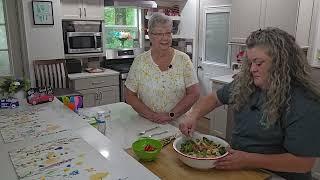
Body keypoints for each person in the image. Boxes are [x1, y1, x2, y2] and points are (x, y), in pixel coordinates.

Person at [179, 27, 320, 180]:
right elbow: (214, 98)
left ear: (281, 64)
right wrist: (193, 115)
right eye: (250, 62)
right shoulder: (246, 83)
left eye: (259, 63)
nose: (252, 69)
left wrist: (247, 160)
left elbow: (303, 163)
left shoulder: (304, 102)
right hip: (240, 167)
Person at [125, 13, 200, 124]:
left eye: (168, 33)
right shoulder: (140, 62)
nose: (165, 38)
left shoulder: (183, 59)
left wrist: (170, 115)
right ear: (150, 35)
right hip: (148, 124)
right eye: (159, 34)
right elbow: (129, 95)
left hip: (179, 125)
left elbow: (194, 93)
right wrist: (152, 116)